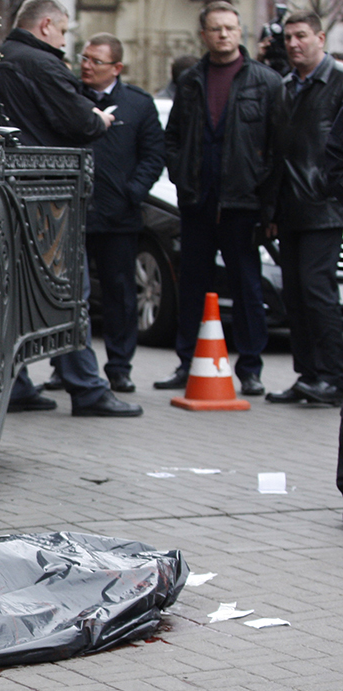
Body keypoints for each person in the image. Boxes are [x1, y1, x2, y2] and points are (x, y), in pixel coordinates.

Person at [0, 0, 143, 417]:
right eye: (63, 31)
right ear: (45, 26)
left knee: (12, 293)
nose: (64, 41)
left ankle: (15, 383)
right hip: (49, 197)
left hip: (5, 192)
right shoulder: (43, 64)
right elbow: (81, 124)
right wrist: (101, 122)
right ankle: (87, 388)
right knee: (70, 291)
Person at [156, 1, 283, 396]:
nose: (224, 34)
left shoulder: (265, 82)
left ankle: (250, 368)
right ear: (204, 35)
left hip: (243, 204)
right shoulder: (192, 81)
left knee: (247, 285)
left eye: (230, 27)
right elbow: (173, 136)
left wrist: (268, 204)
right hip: (198, 201)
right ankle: (187, 362)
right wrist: (180, 175)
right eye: (216, 28)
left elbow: (279, 149)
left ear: (240, 30)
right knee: (193, 284)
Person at [80, 33, 166, 393]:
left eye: (95, 61)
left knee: (119, 293)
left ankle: (119, 366)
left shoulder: (138, 104)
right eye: (83, 58)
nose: (86, 66)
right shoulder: (71, 100)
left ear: (116, 67)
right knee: (72, 295)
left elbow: (153, 155)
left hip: (119, 218)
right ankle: (68, 363)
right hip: (76, 214)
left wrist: (133, 193)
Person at [264, 12, 343, 407]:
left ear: (320, 37)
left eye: (302, 36)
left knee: (318, 292)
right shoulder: (284, 87)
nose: (294, 44)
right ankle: (308, 375)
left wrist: (333, 192)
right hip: (291, 209)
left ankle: (333, 377)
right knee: (294, 295)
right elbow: (281, 154)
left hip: (326, 208)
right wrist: (273, 210)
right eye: (289, 38)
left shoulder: (339, 82)